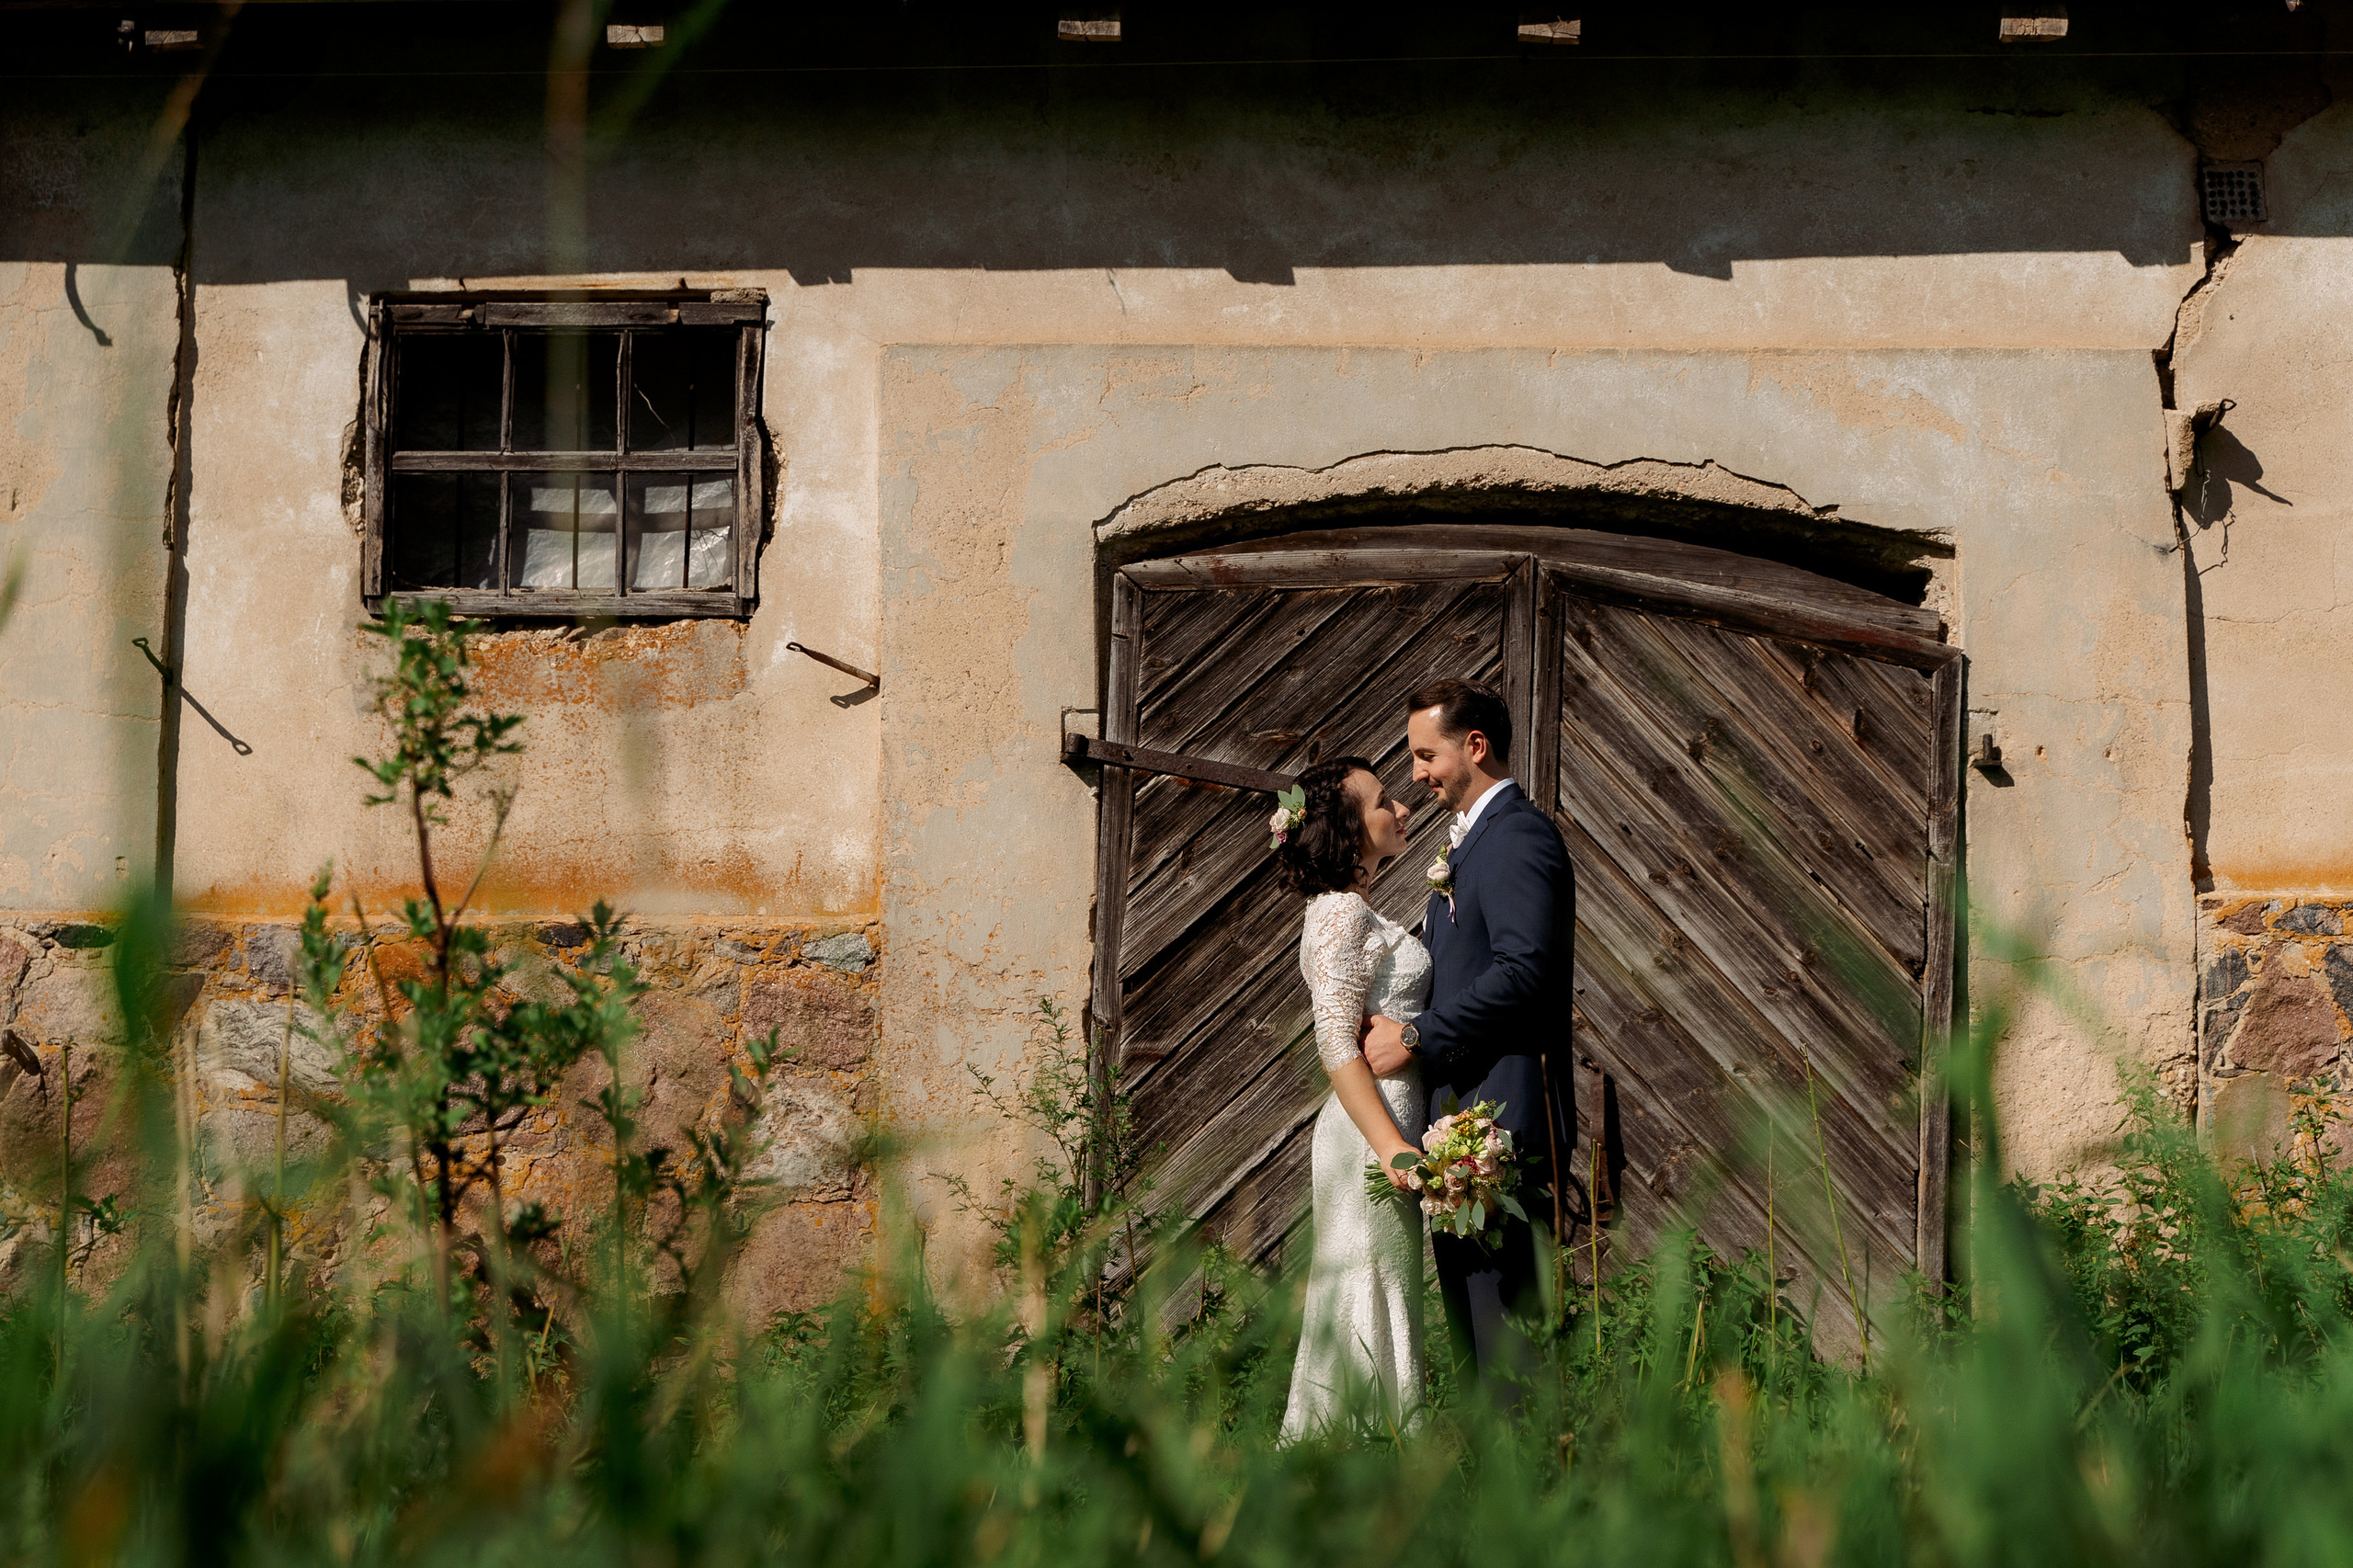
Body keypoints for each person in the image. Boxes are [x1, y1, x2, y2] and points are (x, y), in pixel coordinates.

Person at [1362, 678, 1574, 1392]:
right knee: (1477, 1349)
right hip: (1465, 1122)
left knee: (1510, 1351)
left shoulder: (1516, 838)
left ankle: (1533, 1491)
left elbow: (1525, 974)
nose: (1416, 774)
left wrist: (1417, 1037)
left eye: (1426, 755)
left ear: (1474, 746)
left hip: (1504, 1122)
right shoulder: (1477, 843)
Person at [1272, 756, 1432, 1439]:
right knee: (1367, 1283)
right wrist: (1393, 1147)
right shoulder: (1339, 915)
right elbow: (1335, 1042)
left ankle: (1376, 1454)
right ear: (1347, 831)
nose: (1400, 810)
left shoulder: (1356, 912)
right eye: (1381, 802)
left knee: (1384, 1281)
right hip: (1371, 1133)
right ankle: (1362, 1454)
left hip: (1384, 1121)